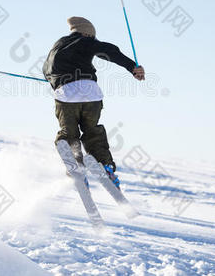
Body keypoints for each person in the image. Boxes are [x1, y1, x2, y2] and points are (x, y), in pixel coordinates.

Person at [43, 16, 145, 188]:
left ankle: (75, 165)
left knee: (69, 132)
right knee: (93, 132)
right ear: (87, 33)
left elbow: (46, 70)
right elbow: (110, 51)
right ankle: (105, 166)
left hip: (66, 93)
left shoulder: (57, 46)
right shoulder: (87, 41)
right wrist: (132, 67)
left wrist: (53, 80)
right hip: (92, 93)